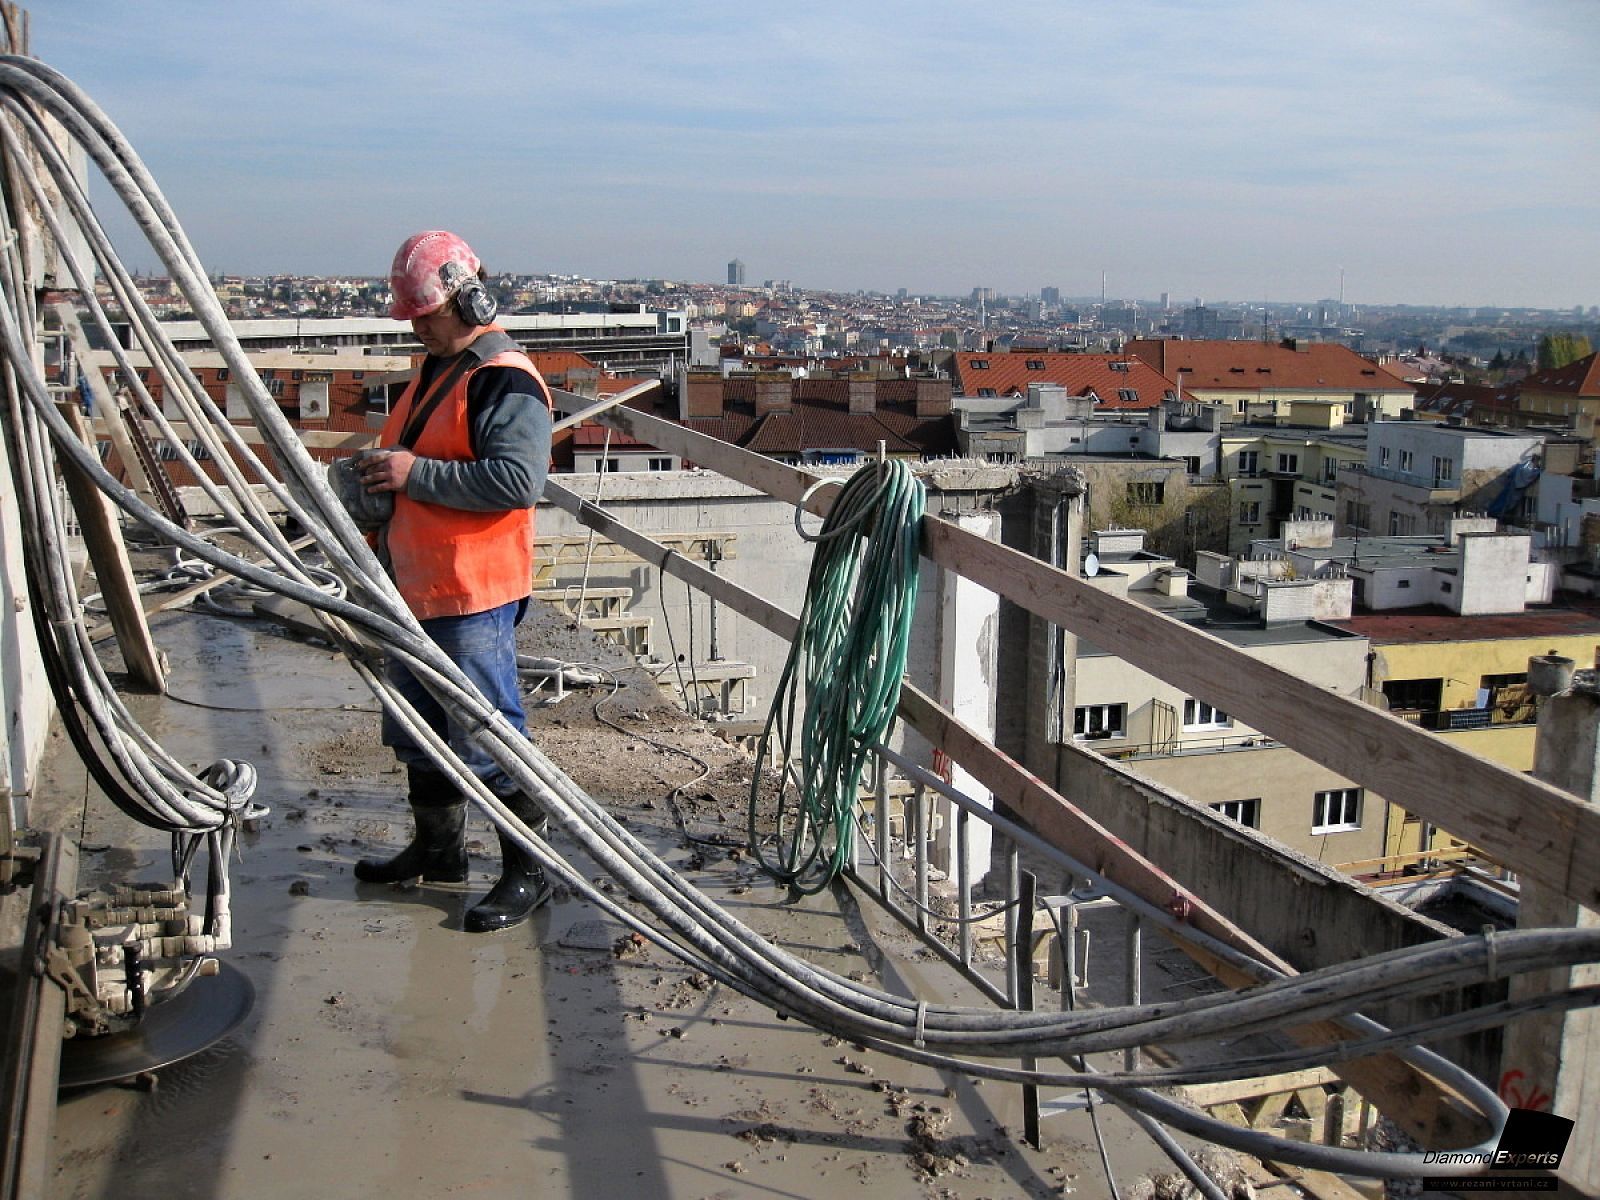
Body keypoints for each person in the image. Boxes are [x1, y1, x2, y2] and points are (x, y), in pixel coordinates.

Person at [351, 230, 555, 933]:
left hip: (472, 593)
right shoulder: (440, 365)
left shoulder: (503, 376)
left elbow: (517, 481)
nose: (417, 326)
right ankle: (439, 856)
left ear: (469, 297)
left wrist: (415, 474)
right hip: (414, 586)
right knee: (419, 732)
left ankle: (530, 870)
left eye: (425, 314)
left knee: (488, 736)